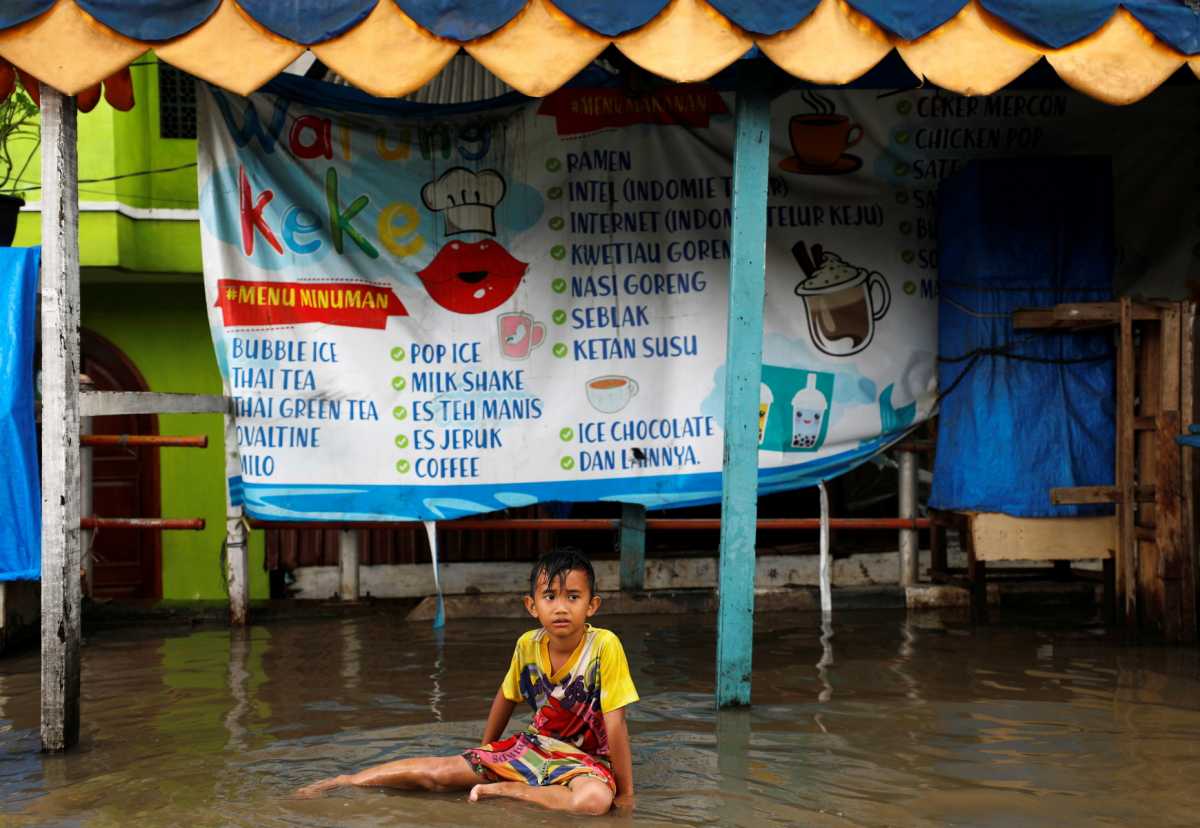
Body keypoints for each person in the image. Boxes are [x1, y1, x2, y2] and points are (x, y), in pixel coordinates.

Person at [296, 548, 638, 815]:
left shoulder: (604, 646)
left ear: (592, 606)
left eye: (573, 597)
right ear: (532, 605)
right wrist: (484, 754)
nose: (561, 607)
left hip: (587, 762)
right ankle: (345, 780)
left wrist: (625, 794)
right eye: (550, 597)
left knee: (593, 803)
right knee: (438, 775)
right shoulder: (527, 645)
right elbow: (506, 697)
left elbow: (616, 723)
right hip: (537, 749)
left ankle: (510, 790)